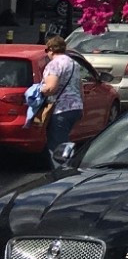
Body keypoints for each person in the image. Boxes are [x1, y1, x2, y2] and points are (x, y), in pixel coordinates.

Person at [38, 35, 85, 166]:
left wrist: (38, 89)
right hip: (75, 107)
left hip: (61, 109)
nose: (47, 53)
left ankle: (61, 173)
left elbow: (51, 88)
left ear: (51, 49)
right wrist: (82, 106)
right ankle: (68, 166)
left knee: (57, 146)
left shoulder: (54, 65)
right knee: (64, 141)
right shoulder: (73, 63)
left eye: (47, 50)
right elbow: (80, 86)